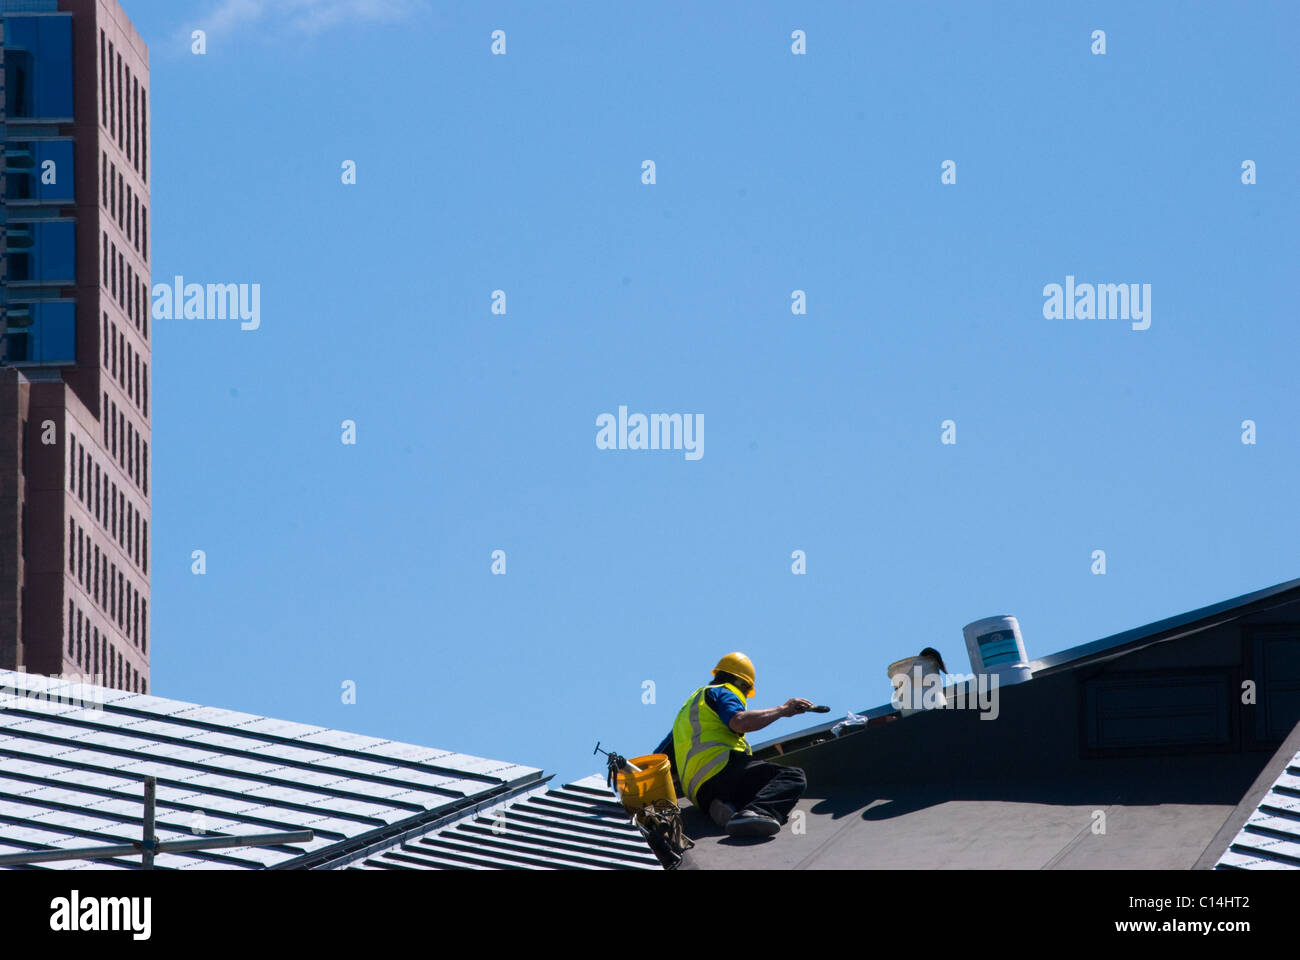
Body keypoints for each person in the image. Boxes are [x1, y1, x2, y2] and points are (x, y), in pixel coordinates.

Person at [654, 652, 811, 838]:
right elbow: (739, 722)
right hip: (723, 770)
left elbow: (658, 760)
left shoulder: (687, 712)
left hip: (699, 794)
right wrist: (782, 710)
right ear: (739, 682)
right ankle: (756, 812)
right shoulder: (724, 691)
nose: (744, 696)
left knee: (754, 791)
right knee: (792, 777)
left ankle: (726, 807)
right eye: (746, 690)